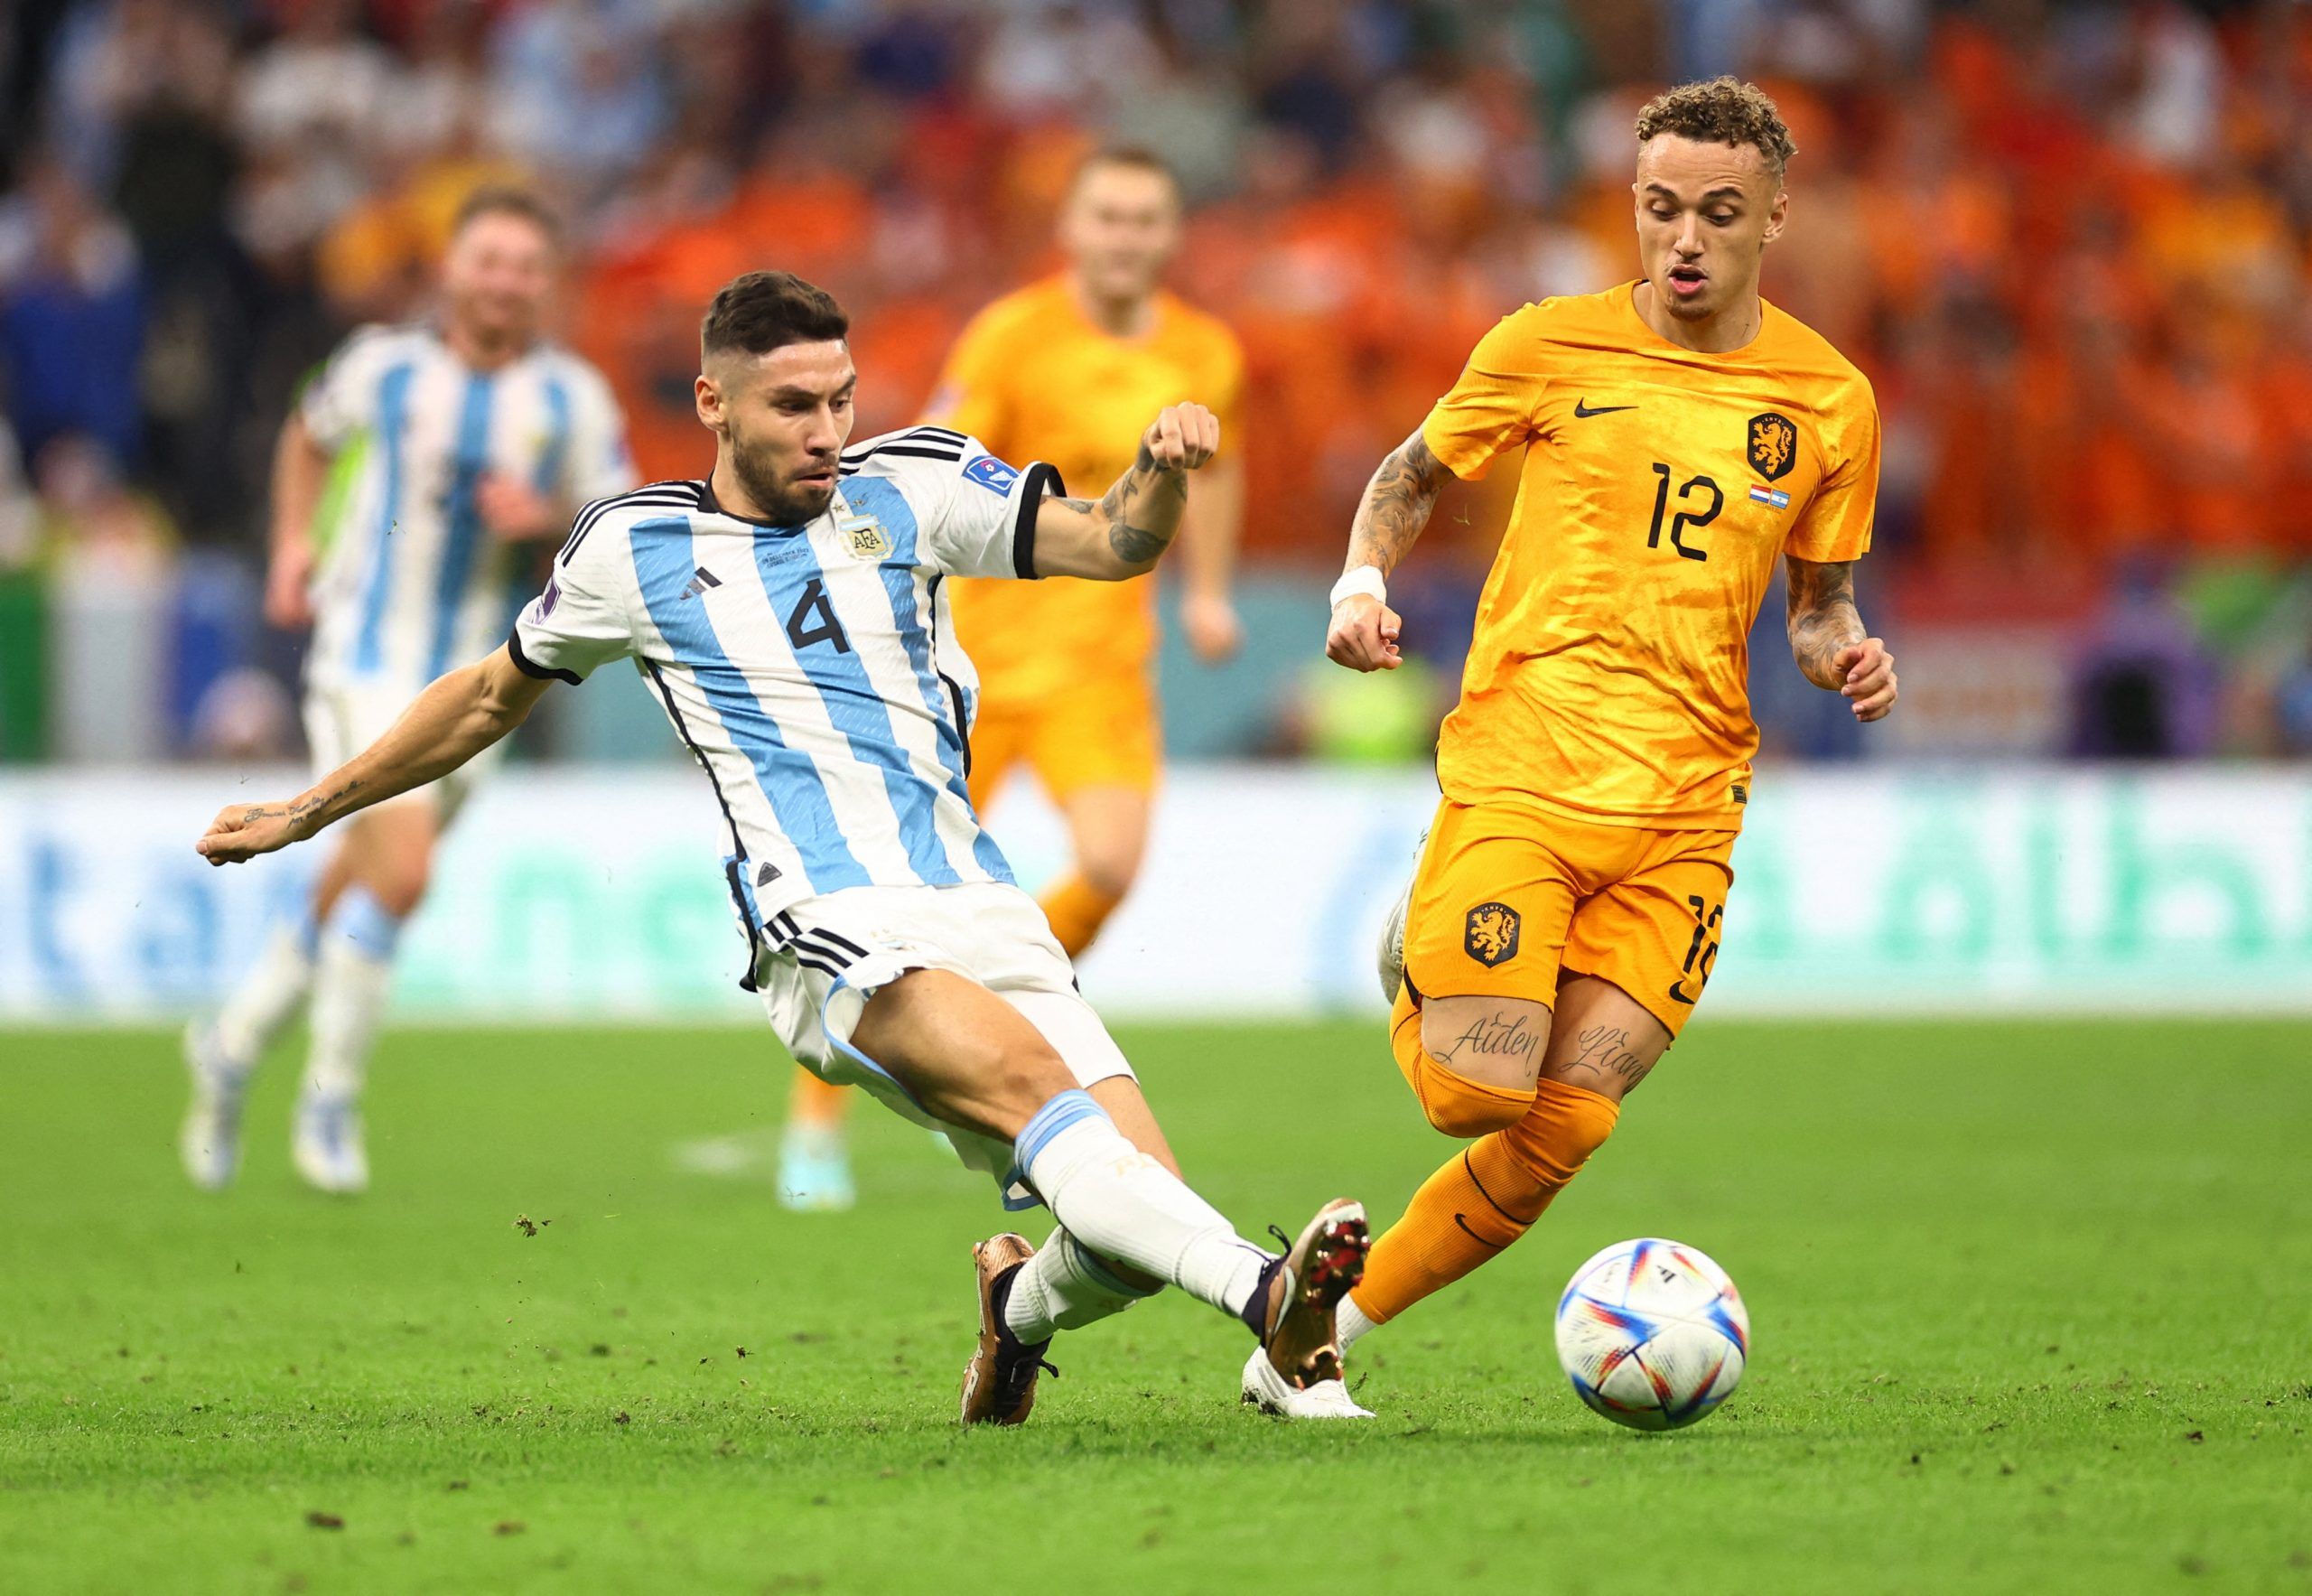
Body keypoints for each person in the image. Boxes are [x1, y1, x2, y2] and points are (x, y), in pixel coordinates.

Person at [192, 269, 1371, 1423]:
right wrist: (309, 808)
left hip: (976, 894)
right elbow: (489, 695)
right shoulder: (634, 550)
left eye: (840, 398)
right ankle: (1269, 1296)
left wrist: (1158, 473)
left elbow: (1114, 544)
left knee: (1124, 1218)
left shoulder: (915, 483)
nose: (827, 430)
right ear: (715, 406)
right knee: (1038, 1094)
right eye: (792, 406)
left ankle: (1016, 1309)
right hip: (826, 918)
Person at [1321, 79, 1898, 1403]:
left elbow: (1819, 606)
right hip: (1531, 761)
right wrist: (1361, 586)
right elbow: (1409, 476)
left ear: (1773, 217)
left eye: (1716, 212)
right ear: (1630, 208)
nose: (1683, 238)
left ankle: (1322, 1327)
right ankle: (1414, 947)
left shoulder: (1829, 397)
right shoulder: (1545, 346)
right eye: (1658, 209)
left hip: (1690, 804)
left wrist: (1846, 654)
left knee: (1568, 1119)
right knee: (1476, 1098)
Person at [776, 146, 1247, 1213]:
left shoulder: (1206, 351)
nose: (1126, 236)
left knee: (1114, 862)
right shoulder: (1012, 335)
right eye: (1108, 217)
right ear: (1072, 231)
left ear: (1169, 236)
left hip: (1099, 665)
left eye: (1145, 219)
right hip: (970, 665)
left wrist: (1208, 591)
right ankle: (816, 1126)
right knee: (878, 905)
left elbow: (1224, 466)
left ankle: (1004, 1025)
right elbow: (930, 458)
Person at [181, 188, 634, 1194]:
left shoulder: (574, 399)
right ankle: (330, 1098)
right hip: (362, 655)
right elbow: (306, 435)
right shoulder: (381, 366)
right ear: (450, 268)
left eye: (525, 264)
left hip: (482, 684)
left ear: (545, 284)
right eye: (488, 258)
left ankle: (230, 1040)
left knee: (362, 875)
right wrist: (293, 542)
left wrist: (547, 514)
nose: (505, 279)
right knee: (405, 873)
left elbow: (617, 521)